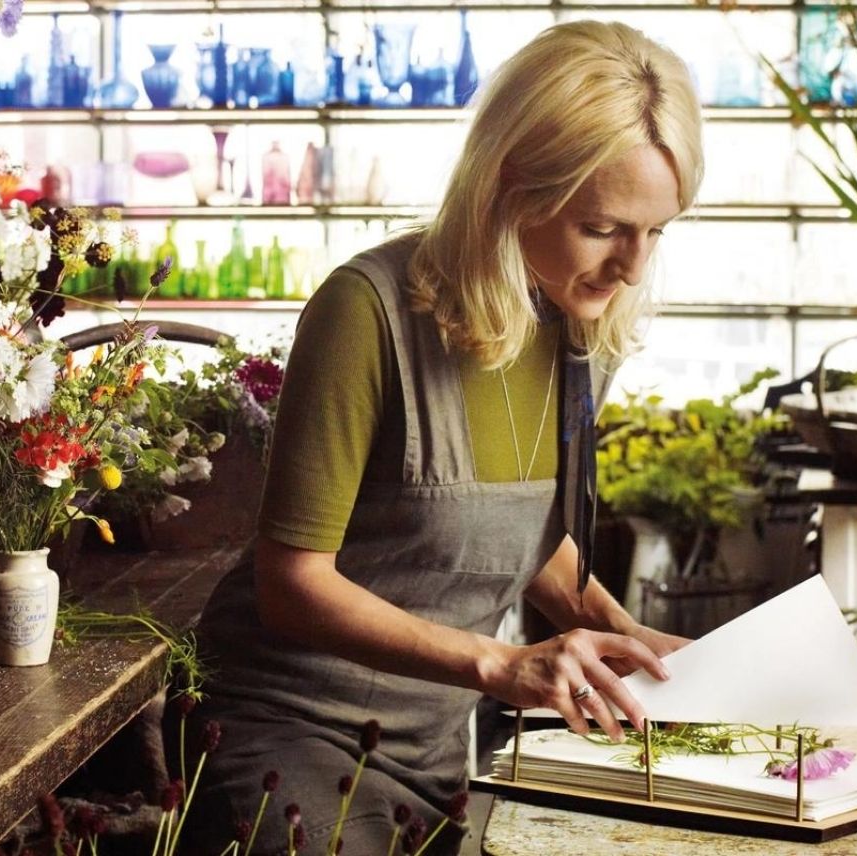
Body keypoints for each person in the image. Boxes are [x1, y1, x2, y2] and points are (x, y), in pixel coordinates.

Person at [175, 20, 704, 855]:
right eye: (604, 228)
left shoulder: (577, 324)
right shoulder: (366, 312)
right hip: (280, 732)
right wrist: (502, 666)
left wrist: (645, 650)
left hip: (432, 743)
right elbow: (291, 583)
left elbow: (526, 539)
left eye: (658, 231)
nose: (633, 266)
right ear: (511, 187)